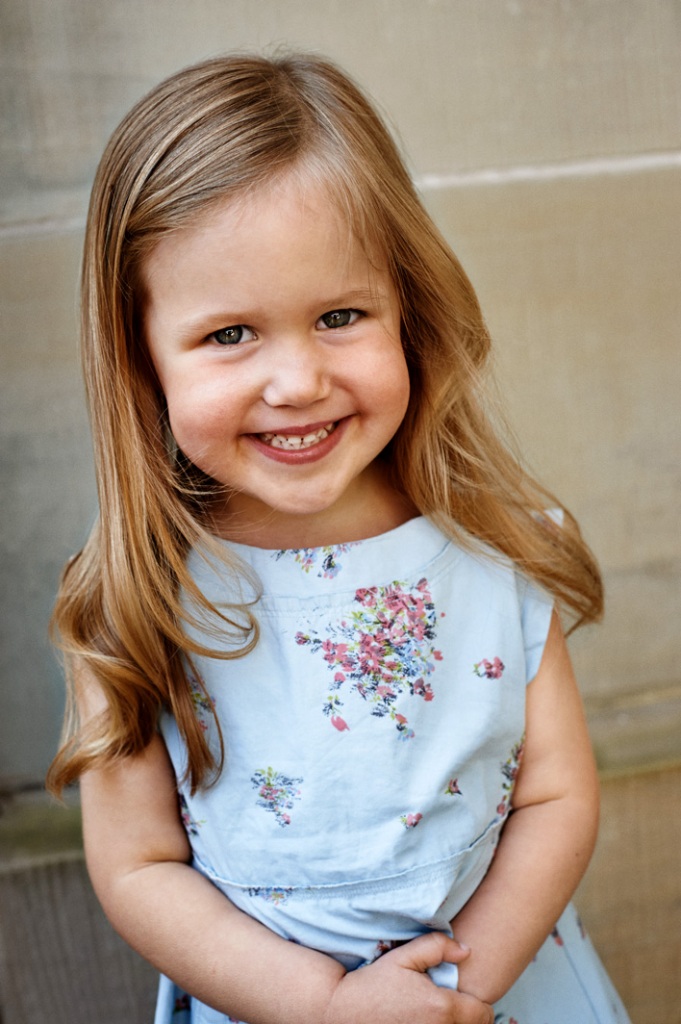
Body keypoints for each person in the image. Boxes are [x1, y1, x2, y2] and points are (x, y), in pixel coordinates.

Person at [47, 53, 632, 1024]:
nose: (298, 382)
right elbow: (139, 865)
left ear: (408, 310)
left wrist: (459, 994)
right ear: (140, 355)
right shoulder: (136, 594)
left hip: (501, 985)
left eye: (339, 316)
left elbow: (556, 798)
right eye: (230, 334)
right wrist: (324, 1006)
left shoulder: (492, 546)